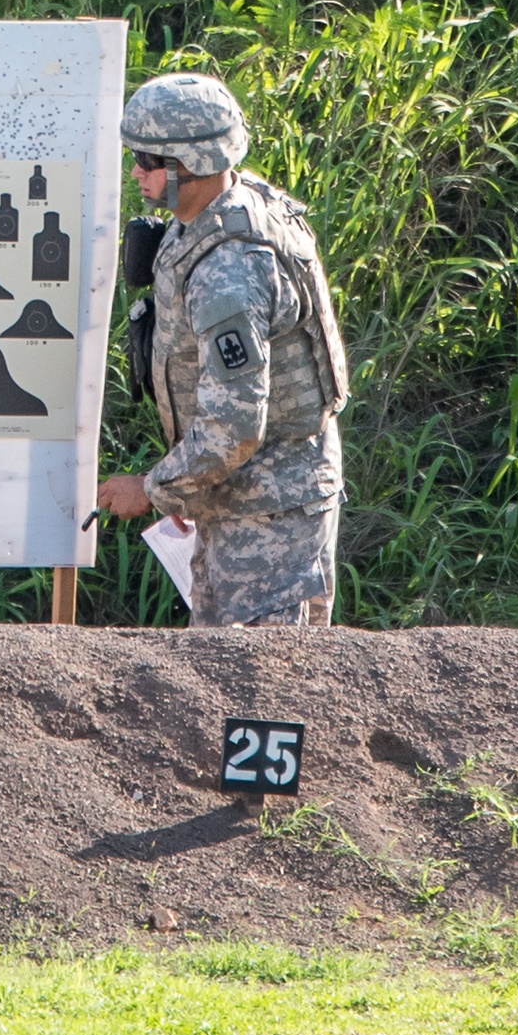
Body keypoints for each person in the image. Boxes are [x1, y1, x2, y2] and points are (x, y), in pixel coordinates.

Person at [97, 73, 347, 627]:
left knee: (263, 695)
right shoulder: (222, 210)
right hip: (241, 503)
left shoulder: (229, 270)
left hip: (270, 520)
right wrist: (192, 492)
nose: (136, 171)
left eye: (148, 159)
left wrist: (157, 489)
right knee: (219, 684)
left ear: (190, 163)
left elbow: (233, 427)